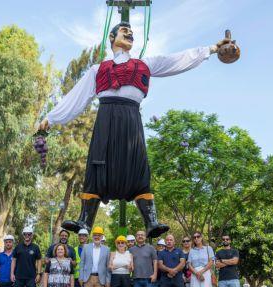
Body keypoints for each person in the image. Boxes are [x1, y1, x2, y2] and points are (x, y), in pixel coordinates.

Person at [42, 22, 231, 239]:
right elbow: (76, 97)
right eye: (125, 32)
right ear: (111, 38)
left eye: (132, 33)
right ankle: (85, 219)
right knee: (95, 167)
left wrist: (212, 49)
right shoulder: (98, 69)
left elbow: (177, 60)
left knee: (139, 167)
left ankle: (151, 222)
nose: (130, 34)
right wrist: (51, 118)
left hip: (132, 118)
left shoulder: (145, 64)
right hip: (106, 118)